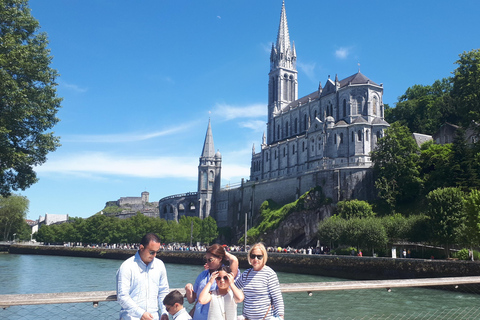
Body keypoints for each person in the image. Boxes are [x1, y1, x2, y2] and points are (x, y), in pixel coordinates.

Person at [117, 233, 170, 320]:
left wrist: (164, 312)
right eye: (152, 252)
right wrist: (141, 313)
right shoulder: (127, 266)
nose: (155, 255)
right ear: (141, 248)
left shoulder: (160, 265)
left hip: (154, 317)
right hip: (131, 317)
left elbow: (163, 291)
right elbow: (122, 296)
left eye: (157, 252)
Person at [185, 244, 239, 320]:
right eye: (206, 259)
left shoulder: (225, 275)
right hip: (198, 316)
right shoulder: (203, 275)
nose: (207, 262)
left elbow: (234, 260)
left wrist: (224, 253)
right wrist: (188, 289)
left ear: (220, 258)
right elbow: (192, 299)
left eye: (210, 260)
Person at [235, 243, 284, 320]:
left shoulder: (269, 274)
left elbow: (277, 298)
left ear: (264, 257)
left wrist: (280, 317)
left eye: (259, 257)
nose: (255, 259)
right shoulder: (246, 274)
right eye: (253, 256)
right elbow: (235, 288)